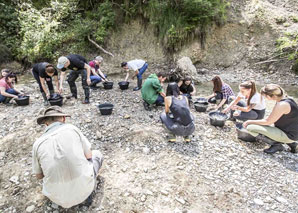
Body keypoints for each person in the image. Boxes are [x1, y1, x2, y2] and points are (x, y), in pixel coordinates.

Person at [32, 106, 103, 208]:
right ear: (64, 119)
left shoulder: (37, 144)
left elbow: (39, 176)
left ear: (46, 123)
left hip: (57, 197)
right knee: (97, 154)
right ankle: (88, 192)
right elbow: (89, 155)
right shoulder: (72, 129)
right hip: (84, 189)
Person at [243, 84, 297, 154]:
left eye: (265, 96)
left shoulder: (281, 105)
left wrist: (249, 121)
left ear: (270, 96)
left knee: (250, 127)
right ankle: (292, 144)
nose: (265, 98)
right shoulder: (288, 99)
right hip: (292, 131)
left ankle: (277, 145)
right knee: (258, 125)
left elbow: (268, 121)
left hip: (289, 135)